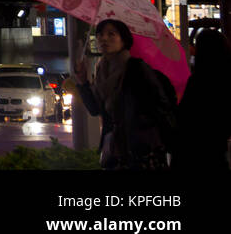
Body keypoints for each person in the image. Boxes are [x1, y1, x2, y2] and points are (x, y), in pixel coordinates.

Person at [73, 19, 176, 169]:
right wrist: (83, 82)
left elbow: (161, 105)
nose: (104, 39)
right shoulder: (102, 71)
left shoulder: (137, 68)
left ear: (124, 40)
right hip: (115, 149)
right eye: (100, 34)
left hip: (142, 149)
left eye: (111, 34)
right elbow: (95, 109)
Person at [174, 28, 231, 170]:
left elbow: (184, 117)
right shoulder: (225, 78)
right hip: (216, 150)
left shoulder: (198, 80)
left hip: (191, 152)